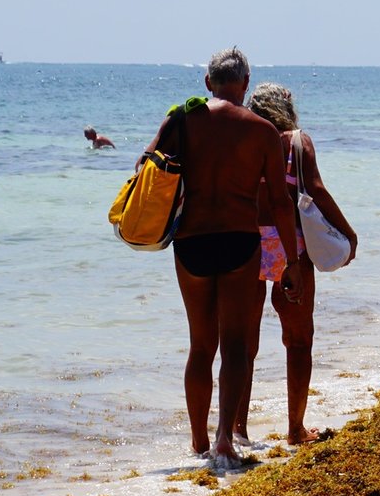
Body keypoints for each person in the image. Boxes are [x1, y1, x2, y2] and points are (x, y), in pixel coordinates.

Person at [143, 47, 299, 469]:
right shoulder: (261, 130)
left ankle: (197, 443)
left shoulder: (180, 119)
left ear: (208, 82)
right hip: (238, 242)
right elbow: (282, 204)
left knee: (200, 345)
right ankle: (225, 440)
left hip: (192, 242)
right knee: (234, 345)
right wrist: (291, 260)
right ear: (245, 85)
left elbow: (145, 167)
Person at [237, 82, 357, 446]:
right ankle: (295, 428)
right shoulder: (296, 142)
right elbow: (316, 190)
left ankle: (237, 429)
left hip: (245, 242)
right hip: (291, 247)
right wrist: (347, 235)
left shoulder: (243, 139)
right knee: (299, 339)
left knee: (243, 340)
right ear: (288, 108)